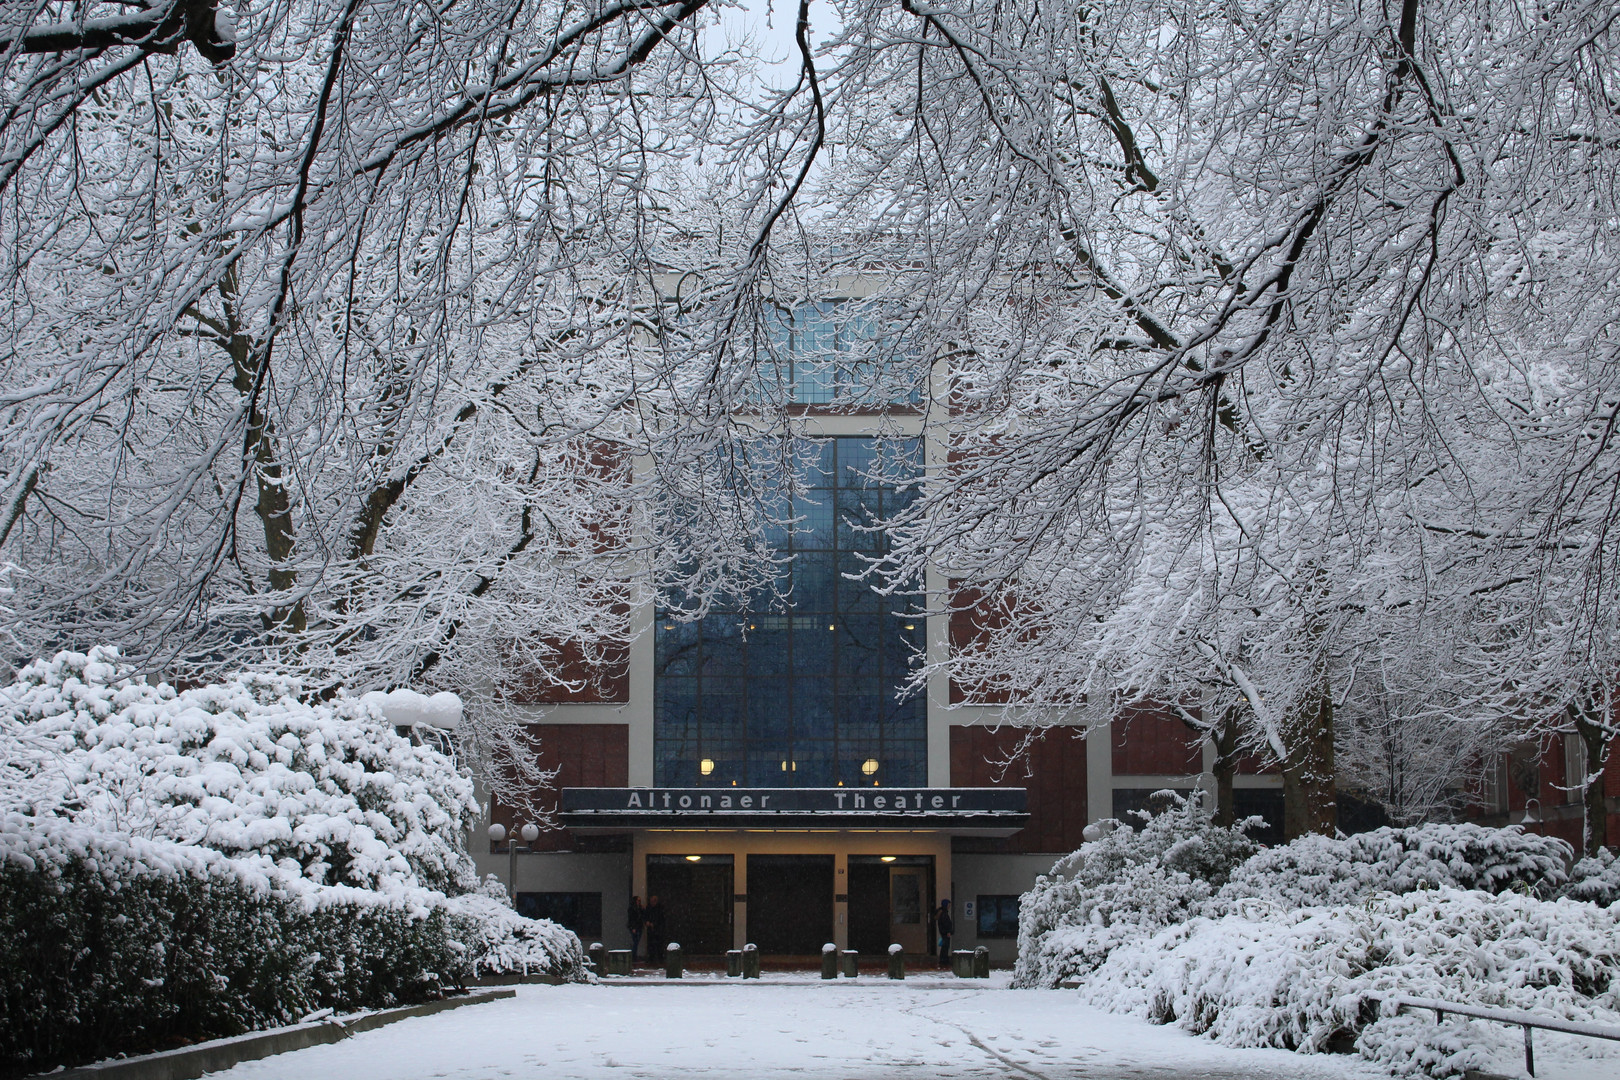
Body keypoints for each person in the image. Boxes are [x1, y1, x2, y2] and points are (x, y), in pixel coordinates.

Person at [645, 894, 667, 965]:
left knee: (659, 945)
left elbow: (661, 919)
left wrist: (654, 924)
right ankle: (651, 958)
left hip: (658, 930)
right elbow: (646, 916)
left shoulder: (660, 908)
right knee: (651, 945)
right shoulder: (648, 908)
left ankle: (660, 958)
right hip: (651, 930)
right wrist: (647, 922)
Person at [936, 898, 954, 968]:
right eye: (948, 905)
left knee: (944, 947)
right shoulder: (944, 914)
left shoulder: (942, 913)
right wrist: (948, 931)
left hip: (944, 932)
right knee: (945, 947)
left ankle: (943, 960)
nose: (949, 906)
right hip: (945, 933)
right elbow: (946, 924)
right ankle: (944, 961)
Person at [627, 895, 645, 962]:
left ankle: (634, 956)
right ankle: (634, 956)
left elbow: (642, 916)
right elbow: (631, 919)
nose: (639, 902)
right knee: (635, 941)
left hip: (639, 926)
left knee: (636, 942)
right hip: (634, 927)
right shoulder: (632, 908)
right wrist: (633, 927)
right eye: (638, 900)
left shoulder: (640, 908)